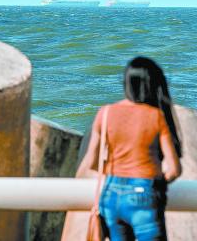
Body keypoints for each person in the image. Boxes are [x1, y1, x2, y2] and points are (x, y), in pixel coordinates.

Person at [77, 57, 183, 241]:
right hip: (143, 194)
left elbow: (91, 162)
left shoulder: (106, 112)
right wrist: (154, 184)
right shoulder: (156, 116)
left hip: (111, 196)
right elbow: (174, 169)